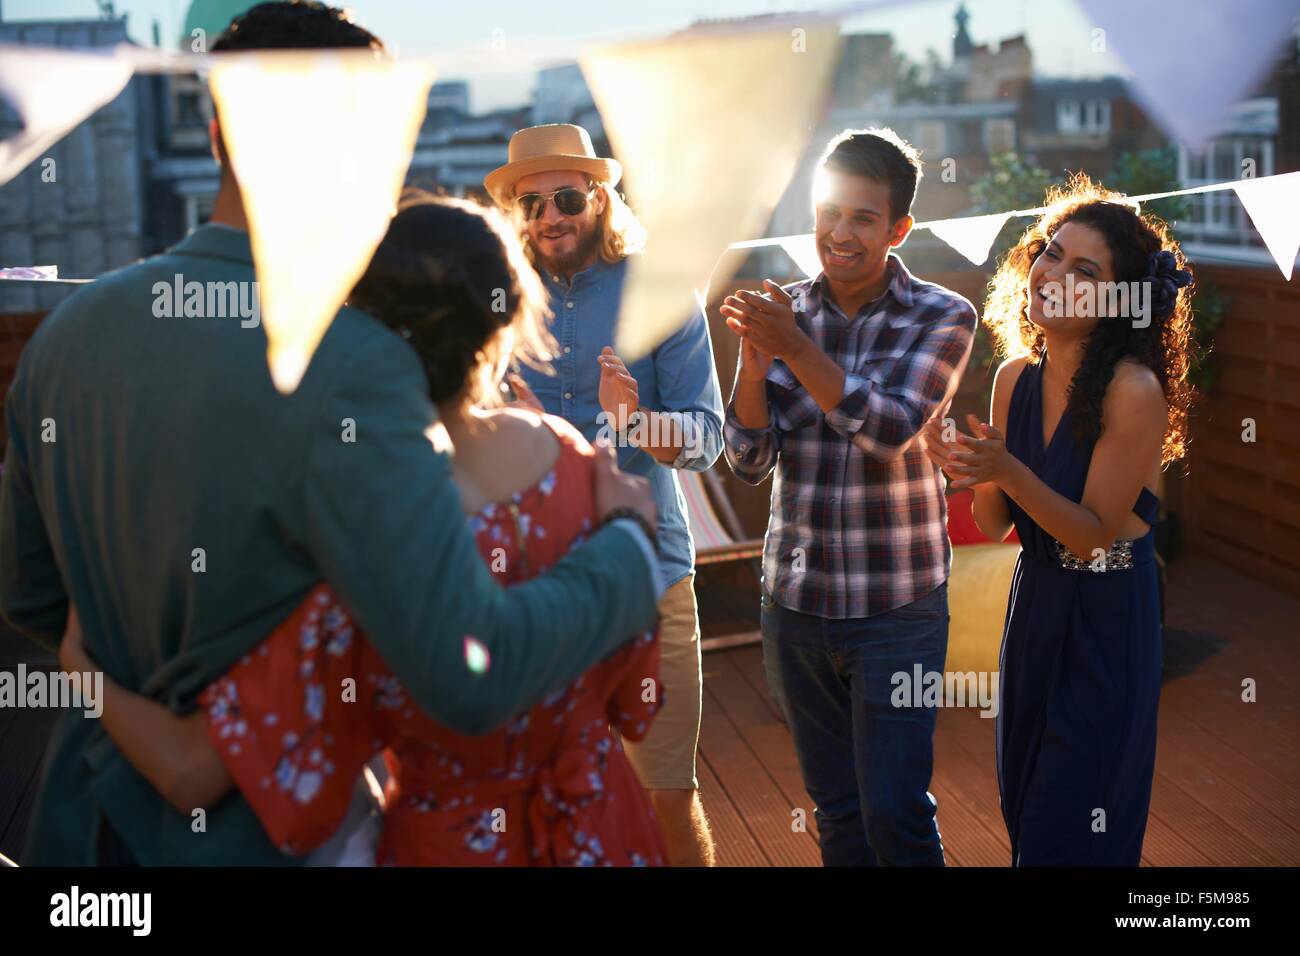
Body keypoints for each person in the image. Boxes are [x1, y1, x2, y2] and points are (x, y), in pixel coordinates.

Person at [0, 1, 661, 866]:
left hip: (82, 836)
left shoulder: (65, 335)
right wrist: (626, 550)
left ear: (214, 133)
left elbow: (29, 596)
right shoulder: (357, 361)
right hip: (270, 843)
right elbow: (472, 673)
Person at [921, 176, 1194, 866]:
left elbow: (1093, 531)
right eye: (1050, 251)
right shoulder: (1014, 377)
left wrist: (1008, 470)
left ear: (1117, 300)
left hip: (1106, 621)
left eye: (1085, 269)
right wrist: (964, 467)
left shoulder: (1133, 391)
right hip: (1036, 605)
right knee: (1026, 807)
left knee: (1069, 832)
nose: (1053, 272)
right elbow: (992, 524)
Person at [721, 128, 977, 867]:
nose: (839, 232)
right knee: (837, 813)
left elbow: (890, 428)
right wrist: (752, 361)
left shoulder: (942, 315)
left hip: (897, 607)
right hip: (794, 604)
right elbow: (748, 458)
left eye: (864, 218)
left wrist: (796, 351)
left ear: (898, 229)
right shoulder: (783, 311)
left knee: (895, 812)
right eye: (830, 211)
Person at [484, 124, 725, 866]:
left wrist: (638, 423)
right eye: (533, 204)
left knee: (666, 793)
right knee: (541, 796)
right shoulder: (495, 303)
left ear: (600, 198)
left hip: (650, 576)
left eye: (565, 197)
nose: (550, 216)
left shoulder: (662, 289)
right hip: (534, 588)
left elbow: (709, 437)